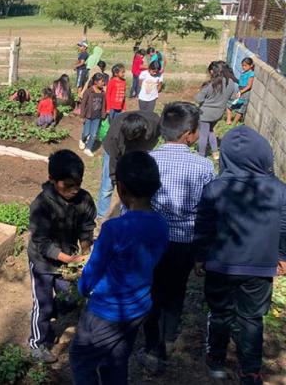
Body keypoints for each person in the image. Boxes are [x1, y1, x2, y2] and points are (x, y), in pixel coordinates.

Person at [194, 126, 286, 385]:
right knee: (252, 318)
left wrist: (199, 256)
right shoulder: (279, 190)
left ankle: (216, 360)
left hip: (220, 265)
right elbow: (284, 226)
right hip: (260, 267)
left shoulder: (214, 188)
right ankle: (250, 371)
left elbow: (203, 226)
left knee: (220, 313)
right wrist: (282, 255)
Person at [70, 151, 169, 385]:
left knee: (80, 359)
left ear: (121, 189)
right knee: (116, 359)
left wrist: (83, 289)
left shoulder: (114, 229)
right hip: (138, 307)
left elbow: (93, 270)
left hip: (106, 311)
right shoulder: (162, 224)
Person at [140, 102, 215, 373]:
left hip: (150, 240)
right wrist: (203, 252)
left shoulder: (147, 161)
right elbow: (208, 212)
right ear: (188, 134)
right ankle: (169, 337)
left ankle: (152, 346)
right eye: (197, 130)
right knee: (176, 290)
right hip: (185, 243)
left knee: (151, 289)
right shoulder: (204, 166)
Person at [28, 150, 96, 363]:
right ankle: (37, 343)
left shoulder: (84, 200)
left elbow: (87, 228)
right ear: (52, 180)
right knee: (43, 303)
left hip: (68, 261)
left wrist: (85, 253)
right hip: (43, 262)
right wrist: (68, 259)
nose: (74, 190)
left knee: (70, 299)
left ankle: (49, 314)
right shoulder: (41, 205)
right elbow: (41, 242)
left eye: (78, 184)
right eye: (68, 185)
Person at [96, 110, 160, 221]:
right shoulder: (115, 135)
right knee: (107, 185)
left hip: (140, 149)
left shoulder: (154, 123)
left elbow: (155, 138)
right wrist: (115, 181)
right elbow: (113, 161)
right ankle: (102, 214)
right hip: (114, 150)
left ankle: (130, 212)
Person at [195, 61, 239, 160]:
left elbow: (198, 99)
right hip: (218, 114)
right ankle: (215, 153)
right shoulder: (230, 83)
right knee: (210, 131)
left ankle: (200, 156)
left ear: (212, 72)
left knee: (203, 134)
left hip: (205, 114)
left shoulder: (211, 84)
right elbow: (232, 97)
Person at [79, 73, 107, 158]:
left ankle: (88, 149)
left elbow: (103, 105)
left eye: (103, 81)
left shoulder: (102, 93)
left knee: (94, 134)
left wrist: (103, 115)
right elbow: (83, 104)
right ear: (95, 82)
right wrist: (82, 116)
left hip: (97, 117)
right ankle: (82, 140)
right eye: (102, 81)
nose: (103, 83)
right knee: (86, 132)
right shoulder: (88, 91)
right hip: (88, 116)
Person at [226, 57, 255, 125]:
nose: (243, 67)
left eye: (245, 65)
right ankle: (228, 120)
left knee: (241, 109)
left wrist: (241, 92)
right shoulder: (243, 72)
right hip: (240, 91)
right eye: (242, 65)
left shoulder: (251, 74)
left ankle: (234, 123)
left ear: (251, 65)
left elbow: (249, 86)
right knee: (229, 104)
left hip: (245, 93)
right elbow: (240, 82)